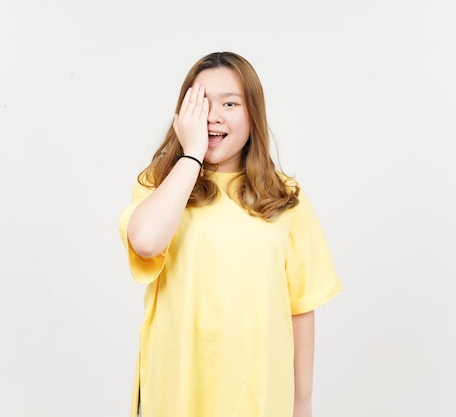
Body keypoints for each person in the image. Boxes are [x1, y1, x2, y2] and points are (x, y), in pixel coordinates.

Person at [118, 51, 342, 417]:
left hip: (257, 395)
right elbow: (145, 242)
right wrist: (191, 156)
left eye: (230, 103)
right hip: (175, 391)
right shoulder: (159, 185)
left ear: (253, 114)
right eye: (201, 103)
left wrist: (302, 402)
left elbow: (301, 308)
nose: (213, 115)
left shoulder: (284, 197)